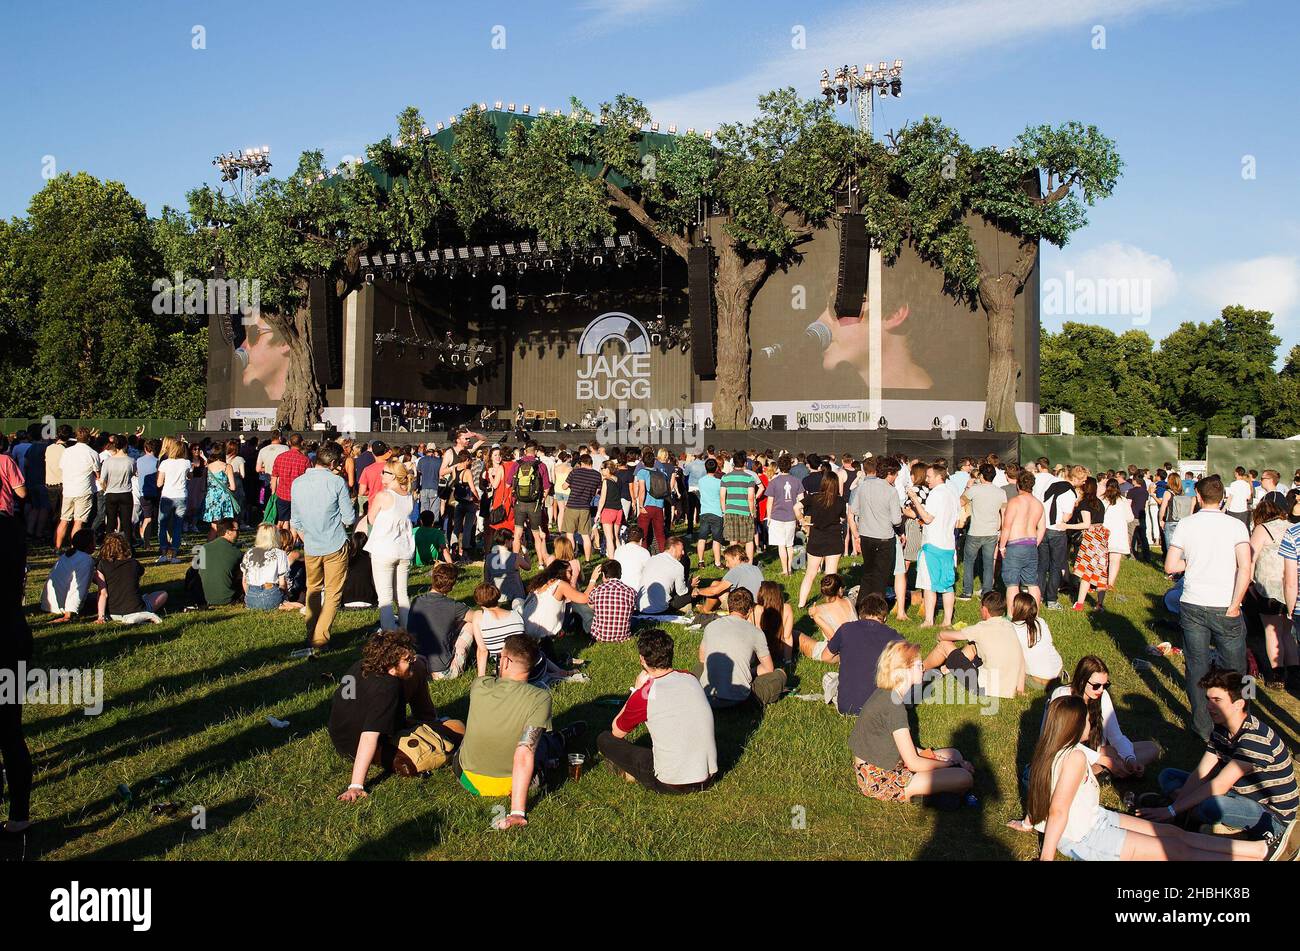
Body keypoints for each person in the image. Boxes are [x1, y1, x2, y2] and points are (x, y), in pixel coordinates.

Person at [1020, 694, 1280, 861]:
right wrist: (1046, 858)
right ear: (1074, 724)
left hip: (1096, 818)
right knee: (1176, 852)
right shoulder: (1074, 757)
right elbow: (1057, 810)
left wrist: (1028, 822)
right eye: (1087, 719)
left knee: (1171, 833)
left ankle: (1258, 849)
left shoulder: (1053, 750)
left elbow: (1042, 791)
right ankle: (1252, 858)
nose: (1092, 722)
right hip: (1086, 838)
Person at [1144, 668, 1298, 850]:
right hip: (1237, 795)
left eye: (1217, 700)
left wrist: (1172, 810)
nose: (1209, 706)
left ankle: (1216, 823)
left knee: (1211, 805)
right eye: (1208, 699)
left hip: (1271, 817)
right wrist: (1175, 809)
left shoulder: (1255, 739)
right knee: (1168, 775)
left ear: (1239, 704)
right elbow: (1201, 772)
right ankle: (1206, 821)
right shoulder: (1221, 728)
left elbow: (1220, 785)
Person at [455, 634, 584, 830]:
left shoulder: (479, 686)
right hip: (511, 784)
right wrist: (517, 812)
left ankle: (556, 742)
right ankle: (560, 739)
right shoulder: (540, 698)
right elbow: (524, 753)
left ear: (505, 661)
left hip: (467, 778)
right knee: (540, 742)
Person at [331, 630, 464, 802]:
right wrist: (356, 785)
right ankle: (431, 723)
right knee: (457, 728)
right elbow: (368, 737)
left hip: (340, 734)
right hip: (358, 744)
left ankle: (427, 719)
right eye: (407, 660)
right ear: (391, 667)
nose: (412, 660)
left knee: (420, 665)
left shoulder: (361, 665)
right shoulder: (387, 688)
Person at [1165, 475, 1251, 741]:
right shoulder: (1236, 526)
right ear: (1223, 497)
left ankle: (1203, 727)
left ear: (1199, 498)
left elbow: (1170, 566)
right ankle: (1241, 719)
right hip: (1226, 603)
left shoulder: (1187, 525)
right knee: (1238, 669)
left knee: (1197, 666)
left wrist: (1192, 564)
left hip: (1193, 602)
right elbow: (1246, 568)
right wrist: (1236, 604)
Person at [850, 639, 974, 804]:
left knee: (954, 753)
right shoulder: (894, 706)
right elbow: (913, 762)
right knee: (964, 778)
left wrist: (937, 757)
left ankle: (934, 793)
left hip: (883, 763)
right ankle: (926, 798)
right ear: (904, 670)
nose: (923, 667)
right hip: (879, 778)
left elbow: (899, 744)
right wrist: (953, 766)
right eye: (918, 665)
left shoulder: (887, 694)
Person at [598, 628, 718, 793]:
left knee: (604, 739)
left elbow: (617, 731)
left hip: (671, 783)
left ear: (642, 659)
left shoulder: (646, 694)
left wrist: (636, 691)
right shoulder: (690, 677)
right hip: (708, 776)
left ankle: (630, 773)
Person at [290, 442, 356, 652]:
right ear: (334, 462)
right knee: (333, 593)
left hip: (311, 545)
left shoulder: (298, 483)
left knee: (313, 589)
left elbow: (296, 520)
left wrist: (307, 536)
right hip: (334, 543)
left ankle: (311, 633)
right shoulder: (337, 482)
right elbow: (349, 518)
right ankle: (320, 638)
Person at [1048, 655, 1158, 779]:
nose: (1101, 690)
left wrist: (1130, 760)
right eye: (1096, 685)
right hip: (1067, 753)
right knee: (1104, 757)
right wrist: (1104, 761)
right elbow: (1061, 743)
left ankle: (1108, 771)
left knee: (1151, 748)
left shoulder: (1102, 696)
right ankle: (1105, 771)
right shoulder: (1063, 696)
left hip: (1097, 751)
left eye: (1105, 685)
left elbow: (1116, 736)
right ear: (1082, 680)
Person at [923, 590, 1025, 699]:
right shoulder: (1009, 626)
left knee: (944, 645)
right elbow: (1021, 658)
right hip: (1008, 688)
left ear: (985, 610)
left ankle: (920, 669)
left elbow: (946, 636)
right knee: (973, 645)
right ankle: (945, 669)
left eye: (981, 608)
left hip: (985, 687)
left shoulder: (981, 628)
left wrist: (939, 634)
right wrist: (1020, 689)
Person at [695, 587, 785, 707]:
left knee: (698, 667)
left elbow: (702, 659)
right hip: (740, 698)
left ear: (728, 607)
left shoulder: (711, 626)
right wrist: (750, 671)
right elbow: (768, 668)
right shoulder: (756, 633)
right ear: (749, 610)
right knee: (780, 674)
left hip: (707, 695)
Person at [818, 593, 899, 715]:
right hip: (881, 708)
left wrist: (846, 655)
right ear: (885, 618)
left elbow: (825, 657)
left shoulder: (846, 629)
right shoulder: (893, 636)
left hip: (847, 707)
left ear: (860, 615)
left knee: (829, 677)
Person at [362, 459, 416, 631]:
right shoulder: (408, 495)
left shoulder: (383, 496)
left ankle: (390, 635)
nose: (381, 475)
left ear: (394, 476)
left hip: (384, 549)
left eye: (385, 472)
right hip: (403, 549)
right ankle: (406, 631)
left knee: (385, 598)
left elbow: (371, 518)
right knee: (401, 594)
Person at [1249, 497, 1295, 688]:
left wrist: (1249, 583)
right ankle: (1295, 674)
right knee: (1287, 633)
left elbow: (1250, 558)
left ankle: (1276, 676)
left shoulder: (1263, 529)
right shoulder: (1293, 527)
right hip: (1292, 586)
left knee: (1271, 632)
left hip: (1268, 588)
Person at [907, 462, 960, 627]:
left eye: (929, 476)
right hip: (948, 544)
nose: (927, 480)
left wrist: (915, 500)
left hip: (932, 544)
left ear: (939, 476)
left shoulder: (936, 494)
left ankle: (929, 620)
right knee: (947, 585)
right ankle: (947, 620)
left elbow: (928, 518)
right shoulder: (953, 493)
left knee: (929, 585)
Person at [407, 563, 473, 679]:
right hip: (441, 671)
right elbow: (476, 617)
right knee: (470, 626)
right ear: (451, 585)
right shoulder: (453, 606)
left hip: (417, 666)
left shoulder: (416, 601)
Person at [795, 461, 846, 609]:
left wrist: (802, 522)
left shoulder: (813, 498)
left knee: (810, 573)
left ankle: (801, 604)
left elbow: (796, 507)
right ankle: (829, 605)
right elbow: (842, 519)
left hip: (816, 537)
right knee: (831, 575)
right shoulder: (840, 501)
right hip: (834, 539)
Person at [959, 463, 1005, 602]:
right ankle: (987, 592)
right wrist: (1001, 529)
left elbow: (960, 502)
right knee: (989, 563)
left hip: (975, 531)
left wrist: (967, 488)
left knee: (968, 562)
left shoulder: (974, 489)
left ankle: (967, 592)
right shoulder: (1000, 492)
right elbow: (1003, 512)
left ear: (982, 475)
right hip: (992, 532)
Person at [999, 470, 1045, 606]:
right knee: (1032, 583)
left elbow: (1006, 527)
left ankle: (1011, 615)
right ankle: (1035, 615)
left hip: (1015, 545)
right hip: (1031, 544)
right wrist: (1035, 543)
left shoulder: (1014, 502)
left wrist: (1002, 546)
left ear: (1018, 485)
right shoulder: (1038, 504)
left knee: (1012, 584)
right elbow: (1042, 528)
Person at [54, 427, 100, 553]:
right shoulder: (92, 453)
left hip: (68, 489)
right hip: (84, 489)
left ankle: (57, 547)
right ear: (89, 438)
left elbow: (62, 467)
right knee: (78, 521)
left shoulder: (67, 451)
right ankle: (75, 548)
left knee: (64, 520)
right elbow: (98, 474)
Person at [570, 559, 637, 643]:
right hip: (623, 636)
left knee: (577, 604)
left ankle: (575, 629)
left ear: (604, 575)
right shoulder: (631, 591)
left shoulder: (597, 590)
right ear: (620, 574)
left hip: (599, 636)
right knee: (634, 620)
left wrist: (593, 580)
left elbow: (590, 605)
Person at [41, 529, 96, 621]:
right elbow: (78, 587)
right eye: (94, 541)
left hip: (48, 604)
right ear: (89, 544)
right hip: (63, 607)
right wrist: (68, 614)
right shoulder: (86, 560)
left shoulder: (67, 555)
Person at [692, 544, 762, 616]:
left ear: (737, 557)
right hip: (757, 606)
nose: (726, 565)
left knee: (715, 585)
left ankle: (705, 610)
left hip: (743, 607)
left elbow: (714, 591)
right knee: (719, 584)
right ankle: (711, 609)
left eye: (727, 561)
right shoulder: (755, 568)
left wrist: (698, 591)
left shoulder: (736, 570)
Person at [1010, 592, 1063, 687]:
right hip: (1058, 672)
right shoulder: (1040, 621)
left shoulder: (1012, 629)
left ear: (1017, 609)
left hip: (1038, 680)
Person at [511, 441, 552, 563]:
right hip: (535, 504)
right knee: (536, 535)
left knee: (517, 534)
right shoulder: (541, 465)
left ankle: (515, 562)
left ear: (525, 450)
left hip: (519, 503)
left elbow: (509, 483)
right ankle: (540, 562)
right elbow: (546, 486)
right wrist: (542, 499)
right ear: (536, 451)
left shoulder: (516, 465)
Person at [240, 522, 296, 611]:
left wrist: (250, 597)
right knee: (297, 605)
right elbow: (282, 583)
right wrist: (285, 597)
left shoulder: (249, 553)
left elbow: (244, 581)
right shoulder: (280, 554)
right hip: (271, 594)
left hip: (251, 598)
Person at [763, 454, 804, 576]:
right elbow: (801, 500)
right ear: (790, 466)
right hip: (791, 516)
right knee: (790, 544)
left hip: (777, 516)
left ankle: (785, 570)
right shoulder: (796, 481)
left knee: (781, 544)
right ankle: (790, 569)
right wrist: (800, 516)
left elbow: (770, 501)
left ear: (779, 467)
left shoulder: (774, 481)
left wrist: (769, 516)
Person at [154, 435, 190, 564]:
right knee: (177, 526)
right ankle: (174, 554)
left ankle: (163, 552)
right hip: (181, 495)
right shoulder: (186, 463)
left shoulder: (165, 463)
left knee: (162, 525)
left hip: (167, 495)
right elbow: (189, 476)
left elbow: (159, 483)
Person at [638, 535, 692, 615]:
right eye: (681, 550)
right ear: (673, 548)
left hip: (640, 606)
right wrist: (690, 585)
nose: (683, 553)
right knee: (691, 594)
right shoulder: (678, 566)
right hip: (659, 609)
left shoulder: (652, 559)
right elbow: (681, 592)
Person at [97, 435, 136, 546]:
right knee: (126, 522)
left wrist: (107, 489)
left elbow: (102, 480)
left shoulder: (108, 461)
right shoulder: (130, 461)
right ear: (125, 445)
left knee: (110, 522)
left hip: (111, 493)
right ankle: (128, 547)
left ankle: (108, 547)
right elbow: (133, 473)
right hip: (125, 493)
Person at [804, 573, 856, 656]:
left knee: (799, 637)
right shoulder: (848, 601)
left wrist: (814, 616)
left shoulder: (818, 611)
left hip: (842, 650)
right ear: (840, 589)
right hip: (858, 641)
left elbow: (834, 642)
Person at [562, 453, 602, 560]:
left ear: (581, 463)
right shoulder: (597, 475)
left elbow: (564, 486)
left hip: (572, 506)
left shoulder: (574, 472)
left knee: (570, 534)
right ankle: (588, 560)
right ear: (591, 463)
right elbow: (597, 491)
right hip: (585, 507)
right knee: (586, 536)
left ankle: (571, 558)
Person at [750, 579, 796, 666]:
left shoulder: (755, 609)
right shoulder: (786, 608)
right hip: (779, 650)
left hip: (760, 653)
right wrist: (788, 660)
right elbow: (787, 637)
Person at [270, 433, 311, 531]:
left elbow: (274, 476)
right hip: (298, 495)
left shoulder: (280, 457)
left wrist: (273, 492)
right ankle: (291, 542)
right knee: (295, 521)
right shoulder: (305, 460)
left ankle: (283, 540)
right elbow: (309, 478)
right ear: (302, 443)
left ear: (289, 443)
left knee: (283, 520)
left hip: (282, 494)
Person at [486, 528, 530, 609]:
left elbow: (487, 579)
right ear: (507, 541)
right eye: (511, 539)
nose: (512, 541)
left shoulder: (488, 558)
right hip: (515, 596)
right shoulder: (515, 557)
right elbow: (528, 567)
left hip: (496, 596)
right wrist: (525, 551)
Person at [695, 457, 726, 568]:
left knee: (702, 538)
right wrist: (724, 512)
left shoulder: (701, 481)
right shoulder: (719, 482)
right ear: (716, 468)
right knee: (716, 539)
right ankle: (717, 562)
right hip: (716, 512)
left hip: (704, 512)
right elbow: (722, 497)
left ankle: (700, 561)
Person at [596, 459, 624, 559]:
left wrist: (598, 513)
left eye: (602, 469)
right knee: (616, 536)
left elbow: (602, 499)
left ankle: (612, 559)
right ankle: (620, 557)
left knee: (609, 538)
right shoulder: (618, 480)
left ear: (607, 470)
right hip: (619, 510)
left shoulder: (606, 481)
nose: (601, 471)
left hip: (608, 510)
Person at [612, 525, 652, 591]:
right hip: (637, 589)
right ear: (641, 540)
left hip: (620, 588)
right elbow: (648, 572)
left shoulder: (618, 550)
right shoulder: (644, 552)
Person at [415, 443, 443, 523]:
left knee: (423, 510)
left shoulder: (421, 460)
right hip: (435, 487)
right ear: (435, 450)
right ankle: (433, 528)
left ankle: (423, 526)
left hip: (423, 487)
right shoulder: (439, 461)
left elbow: (419, 473)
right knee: (434, 510)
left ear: (426, 449)